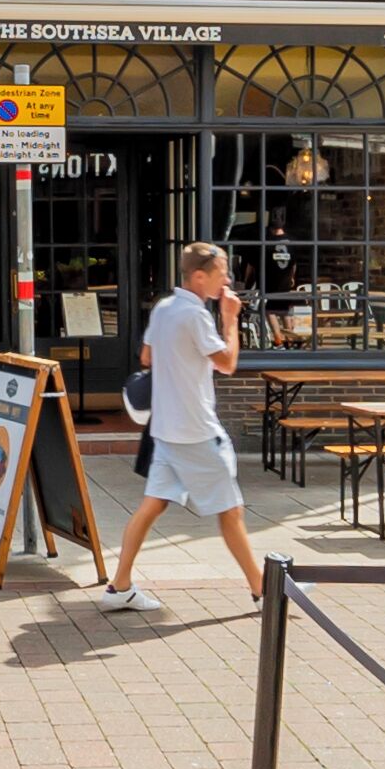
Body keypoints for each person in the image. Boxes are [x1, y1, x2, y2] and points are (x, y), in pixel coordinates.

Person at [98, 241, 261, 614]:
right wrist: (231, 318)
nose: (228, 279)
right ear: (200, 276)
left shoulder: (164, 308)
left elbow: (147, 356)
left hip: (166, 430)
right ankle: (263, 589)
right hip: (197, 430)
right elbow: (227, 363)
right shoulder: (196, 316)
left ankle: (119, 586)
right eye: (222, 273)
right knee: (231, 510)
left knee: (151, 505)